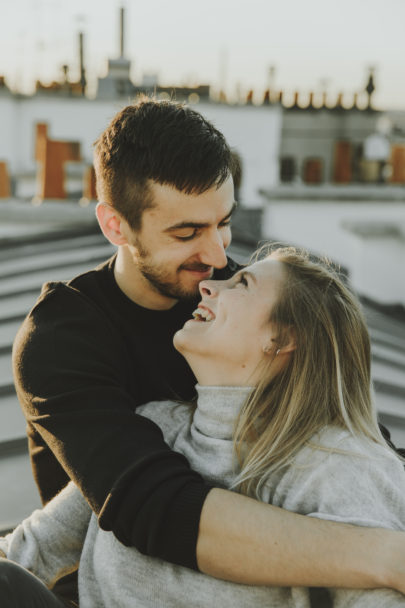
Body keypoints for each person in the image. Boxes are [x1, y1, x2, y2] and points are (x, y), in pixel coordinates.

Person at [9, 98, 405, 602]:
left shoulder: (241, 300)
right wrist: (387, 556)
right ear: (115, 226)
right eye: (187, 232)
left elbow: (352, 435)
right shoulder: (64, 339)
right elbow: (155, 509)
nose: (218, 256)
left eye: (224, 222)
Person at [2, 247, 405, 607]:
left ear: (283, 337)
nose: (209, 286)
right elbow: (30, 551)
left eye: (242, 283)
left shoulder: (337, 465)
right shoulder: (153, 425)